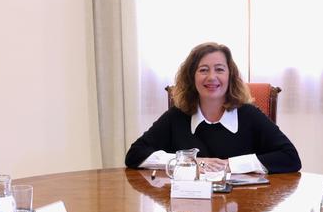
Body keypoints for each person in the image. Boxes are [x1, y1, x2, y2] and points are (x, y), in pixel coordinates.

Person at [124, 42, 301, 174]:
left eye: (219, 69)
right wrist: (191, 162)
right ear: (191, 77)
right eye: (203, 70)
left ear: (230, 76)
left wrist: (229, 165)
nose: (211, 77)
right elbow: (135, 155)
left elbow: (290, 158)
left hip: (242, 211)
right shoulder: (177, 115)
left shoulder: (249, 114)